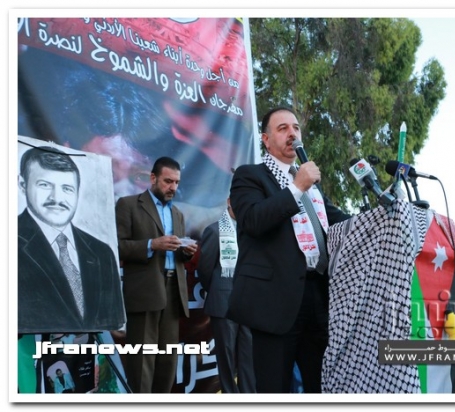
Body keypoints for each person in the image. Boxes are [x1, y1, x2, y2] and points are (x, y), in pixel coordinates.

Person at [226, 107, 351, 393]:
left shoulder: (312, 187)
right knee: (275, 389)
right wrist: (297, 187)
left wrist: (381, 217)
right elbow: (253, 220)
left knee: (321, 386)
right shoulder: (250, 176)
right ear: (266, 139)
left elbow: (341, 222)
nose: (292, 133)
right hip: (275, 301)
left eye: (295, 127)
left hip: (318, 295)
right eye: (282, 128)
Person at [18, 146, 125, 333]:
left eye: (67, 188)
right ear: (22, 184)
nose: (57, 198)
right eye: (44, 185)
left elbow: (112, 321)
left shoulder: (102, 253)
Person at [116, 156, 198, 393]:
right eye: (168, 181)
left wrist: (186, 252)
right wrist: (152, 244)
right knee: (142, 361)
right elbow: (117, 246)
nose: (173, 187)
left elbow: (177, 253)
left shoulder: (178, 214)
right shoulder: (128, 205)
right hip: (144, 293)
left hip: (173, 293)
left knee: (167, 361)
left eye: (176, 182)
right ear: (153, 178)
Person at [197, 198, 256, 393]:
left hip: (247, 304)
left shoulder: (251, 232)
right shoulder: (214, 231)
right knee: (226, 358)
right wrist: (218, 290)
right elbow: (205, 270)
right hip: (223, 303)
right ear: (229, 201)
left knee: (248, 358)